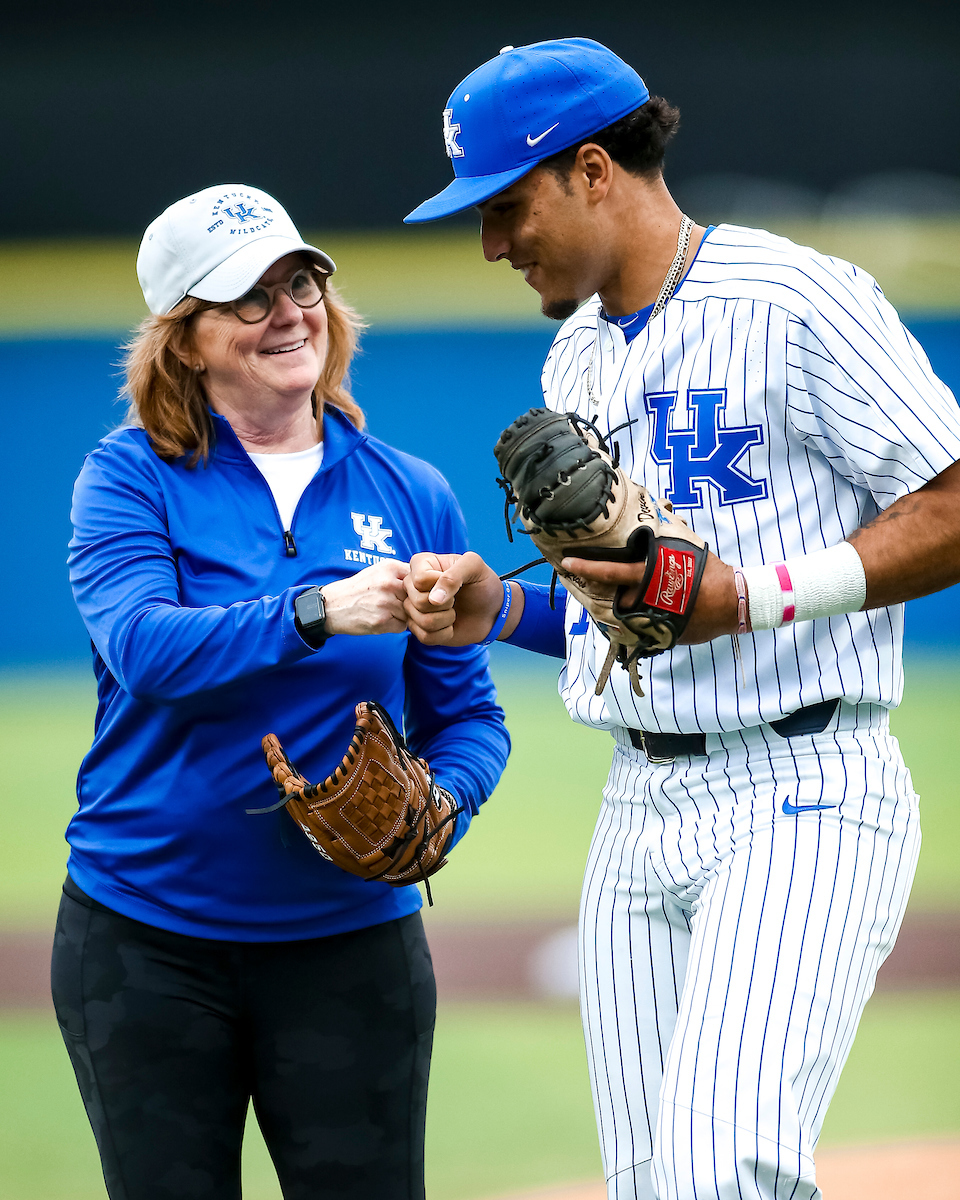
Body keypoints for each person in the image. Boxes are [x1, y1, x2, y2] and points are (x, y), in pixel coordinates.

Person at [400, 38, 960, 1200]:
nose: (493, 244)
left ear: (593, 170)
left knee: (721, 1171)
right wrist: (501, 607)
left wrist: (746, 596)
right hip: (639, 804)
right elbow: (640, 622)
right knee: (654, 1185)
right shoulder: (576, 358)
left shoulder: (794, 299)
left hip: (804, 793)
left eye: (506, 207)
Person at [53, 183, 509, 1200]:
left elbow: (468, 716)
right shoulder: (128, 478)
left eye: (299, 283)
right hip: (145, 942)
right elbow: (144, 648)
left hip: (350, 948)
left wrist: (445, 800)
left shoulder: (409, 490)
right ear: (186, 338)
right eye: (247, 298)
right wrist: (320, 612)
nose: (288, 313)